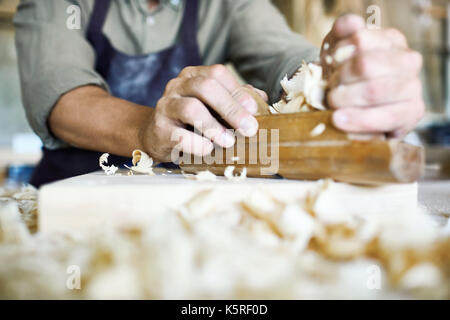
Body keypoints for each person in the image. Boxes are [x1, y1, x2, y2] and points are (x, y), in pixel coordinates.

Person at [14, 0, 424, 187]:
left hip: (174, 201)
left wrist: (335, 79)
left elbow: (287, 56)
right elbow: (62, 99)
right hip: (69, 196)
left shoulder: (229, 5)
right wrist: (147, 132)